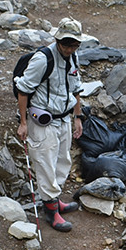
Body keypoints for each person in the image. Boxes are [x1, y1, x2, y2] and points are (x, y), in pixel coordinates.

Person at [16, 17, 86, 232]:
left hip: (65, 117)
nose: (69, 48)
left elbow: (75, 89)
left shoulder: (73, 58)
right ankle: (51, 211)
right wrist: (23, 122)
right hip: (43, 120)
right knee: (45, 165)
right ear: (57, 39)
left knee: (62, 161)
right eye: (65, 43)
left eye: (74, 44)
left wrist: (77, 117)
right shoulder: (42, 59)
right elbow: (24, 90)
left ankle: (54, 201)